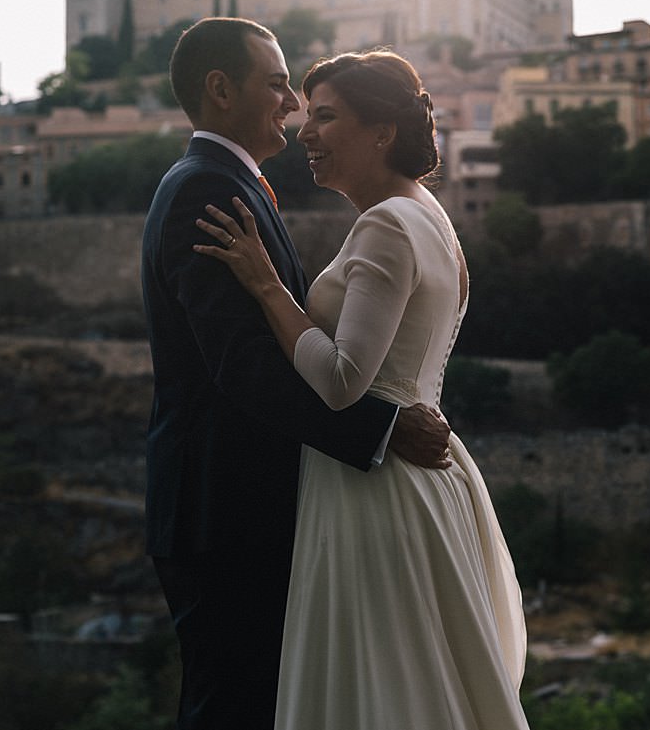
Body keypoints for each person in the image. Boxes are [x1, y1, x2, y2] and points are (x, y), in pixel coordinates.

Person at [193, 49, 529, 729]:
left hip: (376, 490)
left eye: (325, 116)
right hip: (419, 475)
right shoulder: (429, 214)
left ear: (381, 132)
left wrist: (267, 287)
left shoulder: (386, 224)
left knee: (378, 688)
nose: (306, 132)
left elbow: (344, 382)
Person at [140, 18, 452, 730]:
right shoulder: (204, 191)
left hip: (245, 505)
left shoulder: (229, 184)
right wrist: (382, 428)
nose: (291, 105)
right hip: (224, 509)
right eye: (278, 84)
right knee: (236, 705)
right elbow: (242, 366)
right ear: (221, 90)